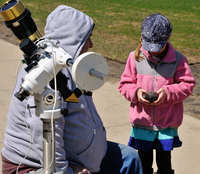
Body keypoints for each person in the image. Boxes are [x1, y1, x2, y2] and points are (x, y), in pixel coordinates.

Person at [1, 5, 143, 174]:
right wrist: (66, 170)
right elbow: (44, 133)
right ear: (72, 40)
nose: (91, 44)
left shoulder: (69, 66)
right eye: (87, 39)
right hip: (34, 165)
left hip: (73, 156)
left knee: (129, 158)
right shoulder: (46, 76)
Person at [118, 13, 195, 174]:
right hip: (142, 123)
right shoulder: (134, 58)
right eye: (150, 48)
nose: (153, 52)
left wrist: (168, 93)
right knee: (143, 164)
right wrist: (136, 93)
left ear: (167, 40)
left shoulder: (178, 60)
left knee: (164, 164)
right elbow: (124, 85)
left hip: (166, 124)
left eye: (158, 47)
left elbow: (187, 84)